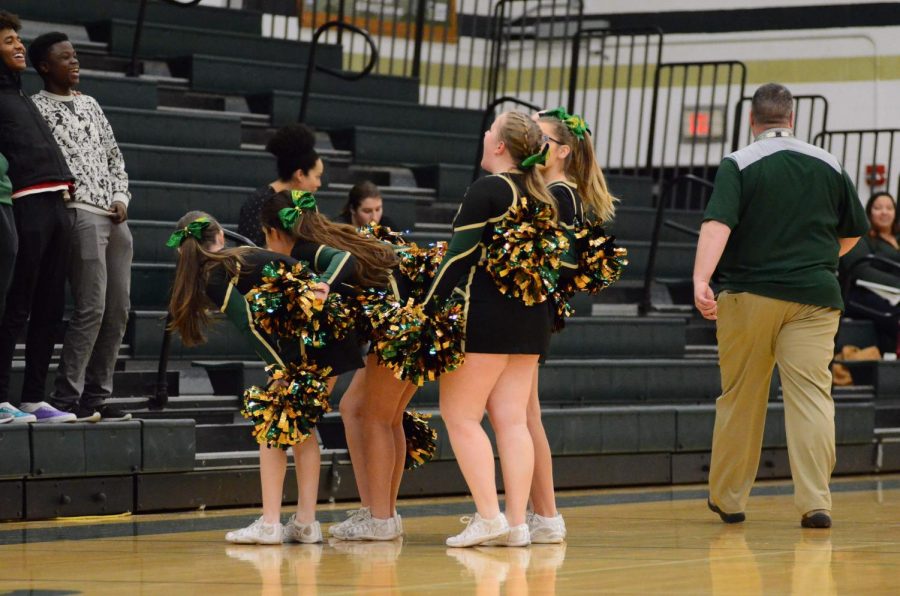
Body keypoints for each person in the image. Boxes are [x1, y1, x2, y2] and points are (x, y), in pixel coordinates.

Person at [693, 83, 868, 529]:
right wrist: (817, 260)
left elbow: (718, 224)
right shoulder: (828, 162)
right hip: (815, 298)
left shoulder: (739, 162)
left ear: (753, 120)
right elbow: (852, 233)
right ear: (792, 119)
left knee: (741, 398)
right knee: (812, 398)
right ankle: (816, 502)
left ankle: (730, 500)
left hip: (749, 295)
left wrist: (701, 279)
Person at [421, 111, 560, 548]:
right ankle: (517, 524)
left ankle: (488, 516)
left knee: (460, 416)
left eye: (490, 130)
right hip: (531, 321)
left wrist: (423, 310)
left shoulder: (488, 190)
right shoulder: (541, 196)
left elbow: (458, 259)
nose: (484, 134)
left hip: (488, 319)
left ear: (500, 146)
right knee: (513, 421)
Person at [167, 211, 342, 545]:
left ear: (182, 251)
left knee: (273, 426)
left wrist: (280, 371)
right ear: (220, 235)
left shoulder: (217, 273)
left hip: (314, 335)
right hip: (328, 331)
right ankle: (305, 523)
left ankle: (270, 525)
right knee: (300, 427)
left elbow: (248, 324)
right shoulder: (234, 260)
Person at [260, 189, 416, 541]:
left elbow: (343, 260)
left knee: (376, 418)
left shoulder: (306, 249)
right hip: (409, 321)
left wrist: (324, 284)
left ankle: (380, 519)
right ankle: (381, 514)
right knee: (357, 408)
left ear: (274, 231)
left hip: (401, 326)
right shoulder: (326, 237)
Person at [28, 32, 133, 422]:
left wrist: (121, 197)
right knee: (92, 306)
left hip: (115, 214)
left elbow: (113, 156)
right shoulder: (36, 108)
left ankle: (97, 397)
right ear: (44, 67)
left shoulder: (90, 103)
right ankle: (66, 398)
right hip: (79, 213)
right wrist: (69, 202)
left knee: (119, 309)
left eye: (76, 57)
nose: (74, 63)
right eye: (65, 58)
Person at [525, 107, 617, 543]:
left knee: (523, 417)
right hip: (533, 311)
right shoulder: (556, 191)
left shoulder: (561, 195)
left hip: (530, 312)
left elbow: (558, 264)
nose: (531, 141)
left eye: (539, 136)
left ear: (561, 151)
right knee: (524, 415)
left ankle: (545, 515)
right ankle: (541, 514)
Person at [0, 11, 77, 424]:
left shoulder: (20, 94)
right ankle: (0, 400)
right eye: (8, 40)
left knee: (50, 307)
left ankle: (33, 398)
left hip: (56, 204)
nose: (18, 46)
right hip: (25, 205)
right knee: (17, 306)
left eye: (18, 39)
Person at [238, 123, 322, 247]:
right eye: (317, 176)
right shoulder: (260, 201)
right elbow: (248, 250)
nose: (319, 184)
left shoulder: (306, 205)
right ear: (300, 174)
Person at [840, 192, 900, 355]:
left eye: (889, 208)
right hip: (863, 294)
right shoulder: (862, 238)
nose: (884, 212)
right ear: (869, 212)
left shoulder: (897, 238)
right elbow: (860, 270)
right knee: (893, 317)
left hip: (895, 296)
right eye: (878, 208)